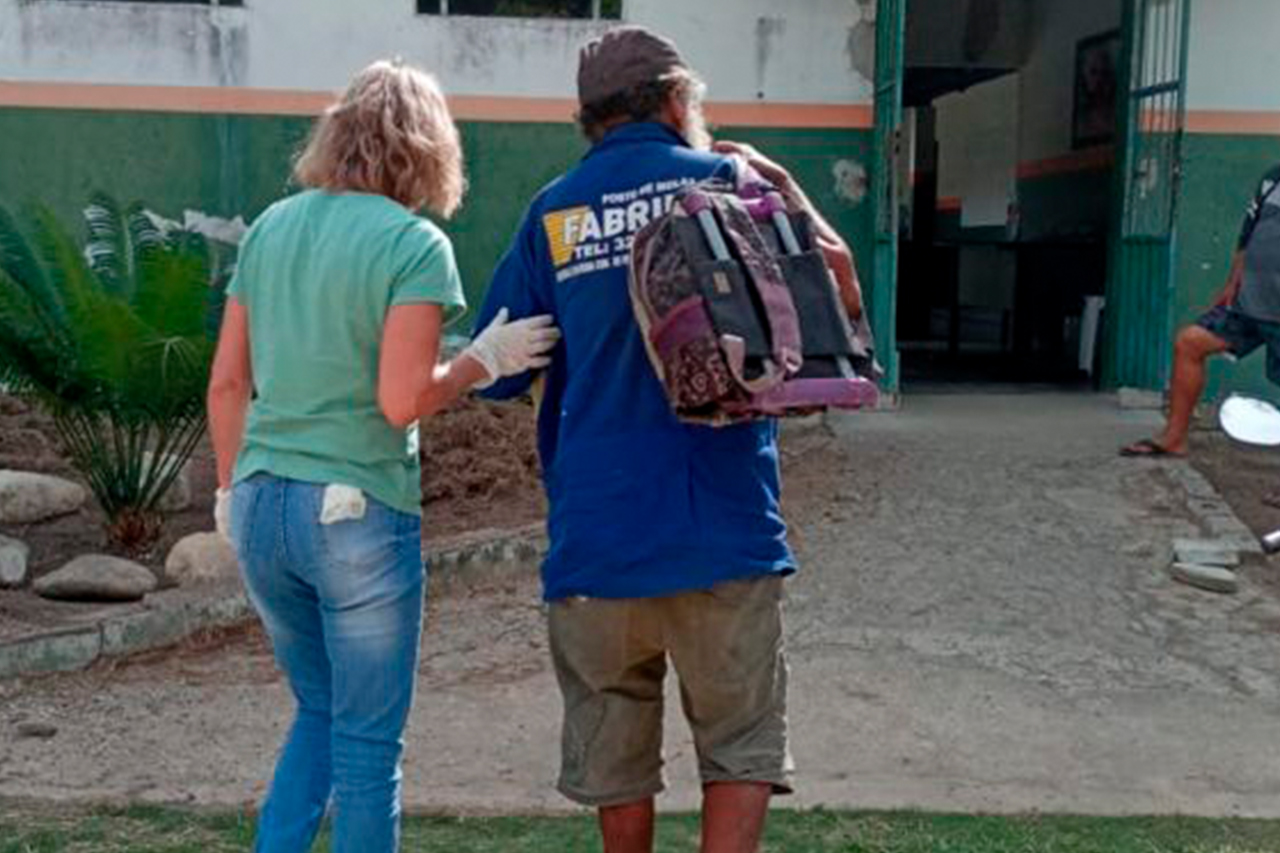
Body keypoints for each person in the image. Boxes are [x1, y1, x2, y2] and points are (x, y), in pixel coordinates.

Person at [472, 27, 862, 853]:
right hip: (724, 527)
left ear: (589, 122)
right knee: (740, 743)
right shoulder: (732, 181)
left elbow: (499, 371)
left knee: (617, 758)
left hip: (599, 538)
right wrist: (785, 185)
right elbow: (838, 302)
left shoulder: (552, 213)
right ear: (678, 101)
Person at [206, 59, 559, 853]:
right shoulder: (414, 243)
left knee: (320, 708)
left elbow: (228, 383)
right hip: (355, 510)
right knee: (366, 743)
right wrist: (485, 359)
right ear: (430, 150)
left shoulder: (270, 227)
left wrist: (230, 491)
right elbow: (401, 400)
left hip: (260, 502)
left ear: (335, 135)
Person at [1122, 165, 1280, 458]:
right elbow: (1247, 236)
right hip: (1249, 303)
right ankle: (1174, 438)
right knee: (1190, 342)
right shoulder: (1272, 179)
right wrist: (1232, 283)